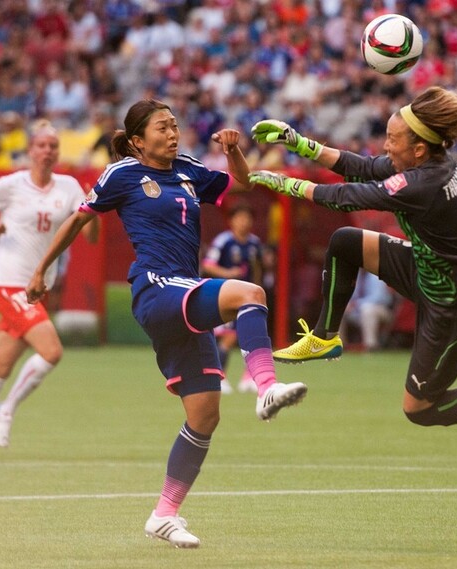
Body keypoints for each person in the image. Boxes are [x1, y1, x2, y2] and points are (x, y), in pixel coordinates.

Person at [26, 99, 306, 549]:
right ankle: (266, 385)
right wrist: (41, 271)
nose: (173, 133)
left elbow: (243, 182)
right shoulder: (122, 174)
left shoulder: (189, 168)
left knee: (204, 416)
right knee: (250, 294)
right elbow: (77, 222)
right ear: (138, 140)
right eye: (162, 127)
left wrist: (234, 150)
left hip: (185, 291)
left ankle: (164, 514)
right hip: (156, 288)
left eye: (175, 125)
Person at [248, 86, 457, 435]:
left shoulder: (423, 184)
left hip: (453, 306)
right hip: (426, 270)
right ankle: (325, 337)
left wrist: (288, 185)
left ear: (418, 149)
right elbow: (361, 167)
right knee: (346, 242)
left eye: (392, 140)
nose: (386, 146)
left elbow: (349, 195)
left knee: (420, 409)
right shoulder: (425, 165)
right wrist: (299, 143)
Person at [0, 119, 99, 461]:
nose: (48, 151)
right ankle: (7, 410)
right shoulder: (12, 185)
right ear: (31, 150)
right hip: (8, 283)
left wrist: (94, 208)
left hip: (38, 288)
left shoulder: (70, 186)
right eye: (42, 145)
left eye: (54, 146)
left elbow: (90, 236)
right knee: (52, 351)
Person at [201, 202, 263, 394]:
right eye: (240, 218)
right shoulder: (224, 241)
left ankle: (249, 378)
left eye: (247, 218)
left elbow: (259, 268)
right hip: (225, 294)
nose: (244, 222)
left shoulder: (255, 243)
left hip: (247, 298)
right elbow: (208, 265)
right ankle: (218, 377)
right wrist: (228, 273)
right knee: (228, 338)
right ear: (232, 221)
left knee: (250, 336)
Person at [340, 268, 395, 352]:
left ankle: (371, 346)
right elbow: (351, 296)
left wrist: (356, 304)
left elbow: (378, 298)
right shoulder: (355, 277)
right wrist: (348, 304)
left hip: (381, 310)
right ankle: (339, 345)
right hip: (359, 311)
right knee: (341, 308)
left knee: (367, 309)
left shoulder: (376, 276)